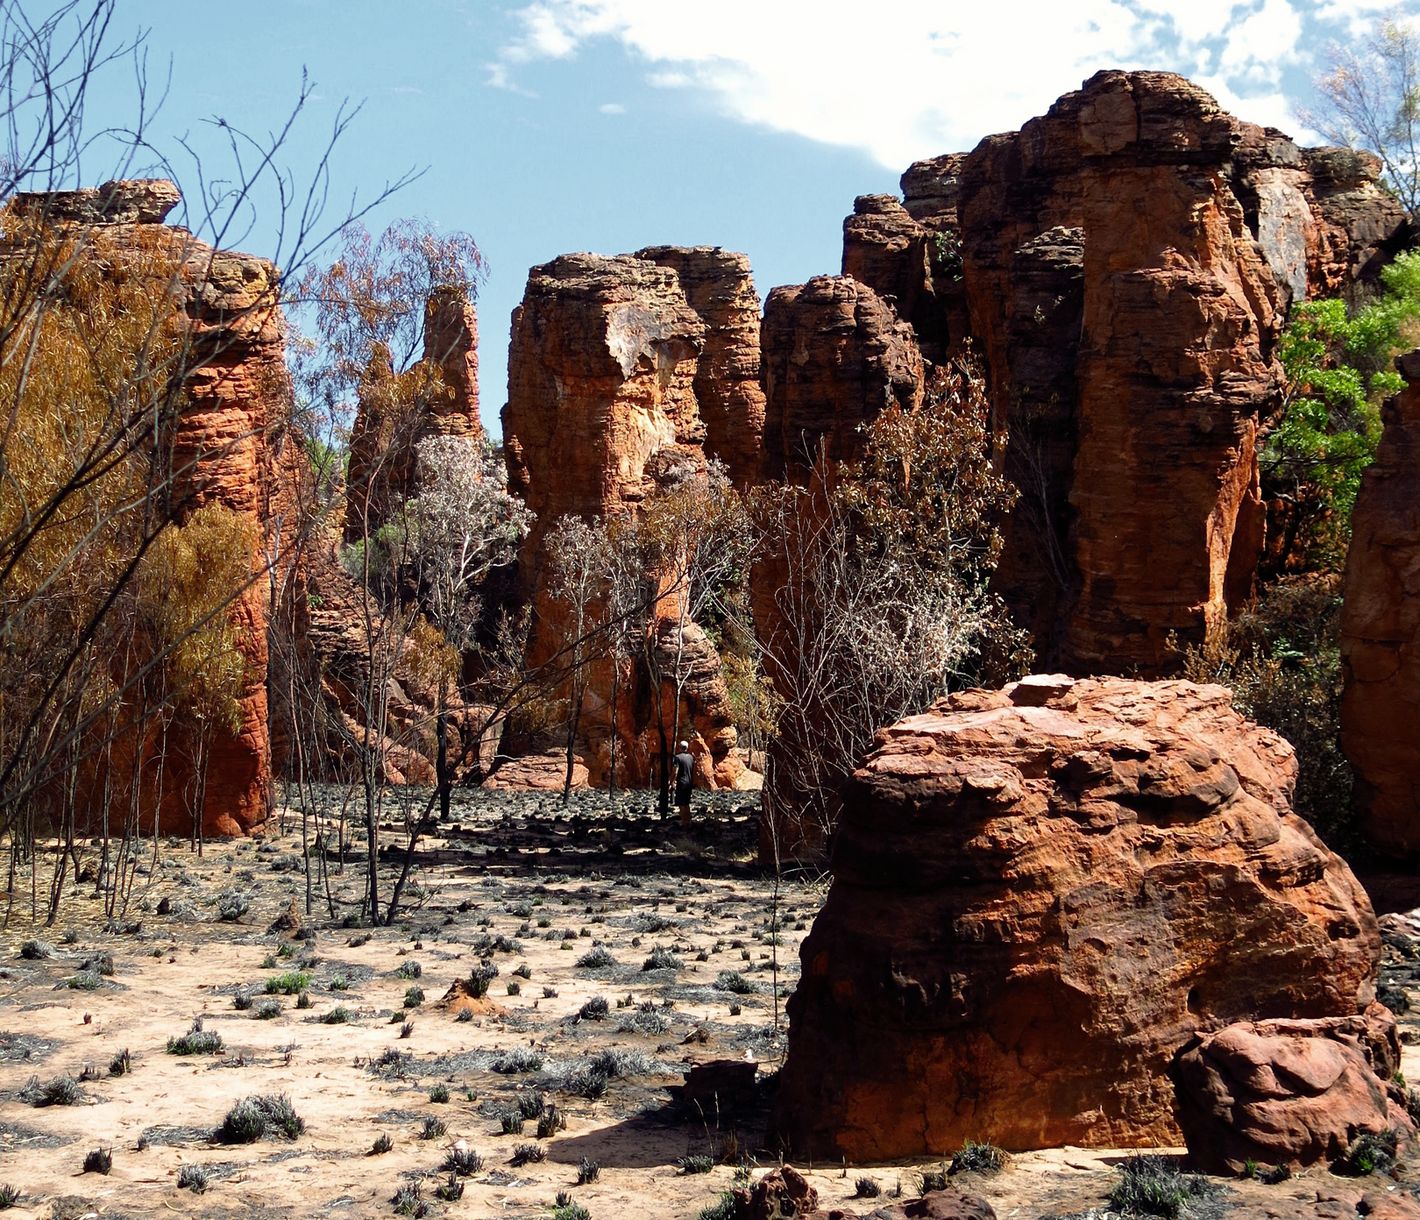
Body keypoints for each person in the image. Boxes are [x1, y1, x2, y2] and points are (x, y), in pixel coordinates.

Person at [673, 740, 694, 829]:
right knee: (687, 803)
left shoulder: (677, 757)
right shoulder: (691, 757)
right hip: (689, 783)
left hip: (681, 782)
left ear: (680, 747)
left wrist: (672, 781)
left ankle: (684, 822)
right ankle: (689, 822)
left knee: (681, 803)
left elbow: (675, 771)